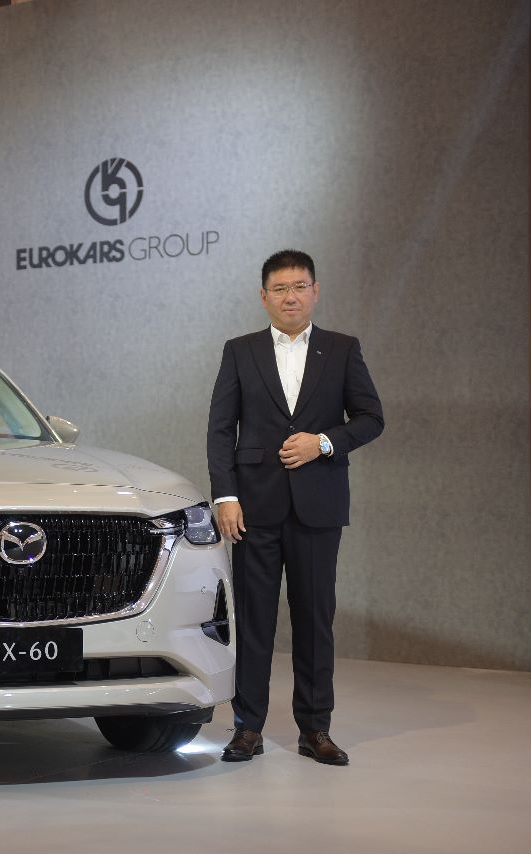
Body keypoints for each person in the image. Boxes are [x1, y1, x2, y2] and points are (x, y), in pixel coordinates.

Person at [206, 249, 383, 766]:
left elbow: (370, 418)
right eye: (280, 288)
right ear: (264, 297)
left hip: (318, 507)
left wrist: (322, 443)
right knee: (253, 622)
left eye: (299, 286)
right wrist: (226, 496)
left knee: (315, 620)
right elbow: (220, 430)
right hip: (253, 509)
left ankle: (315, 729)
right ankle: (247, 728)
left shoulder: (342, 349)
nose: (290, 296)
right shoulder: (240, 351)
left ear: (315, 291)